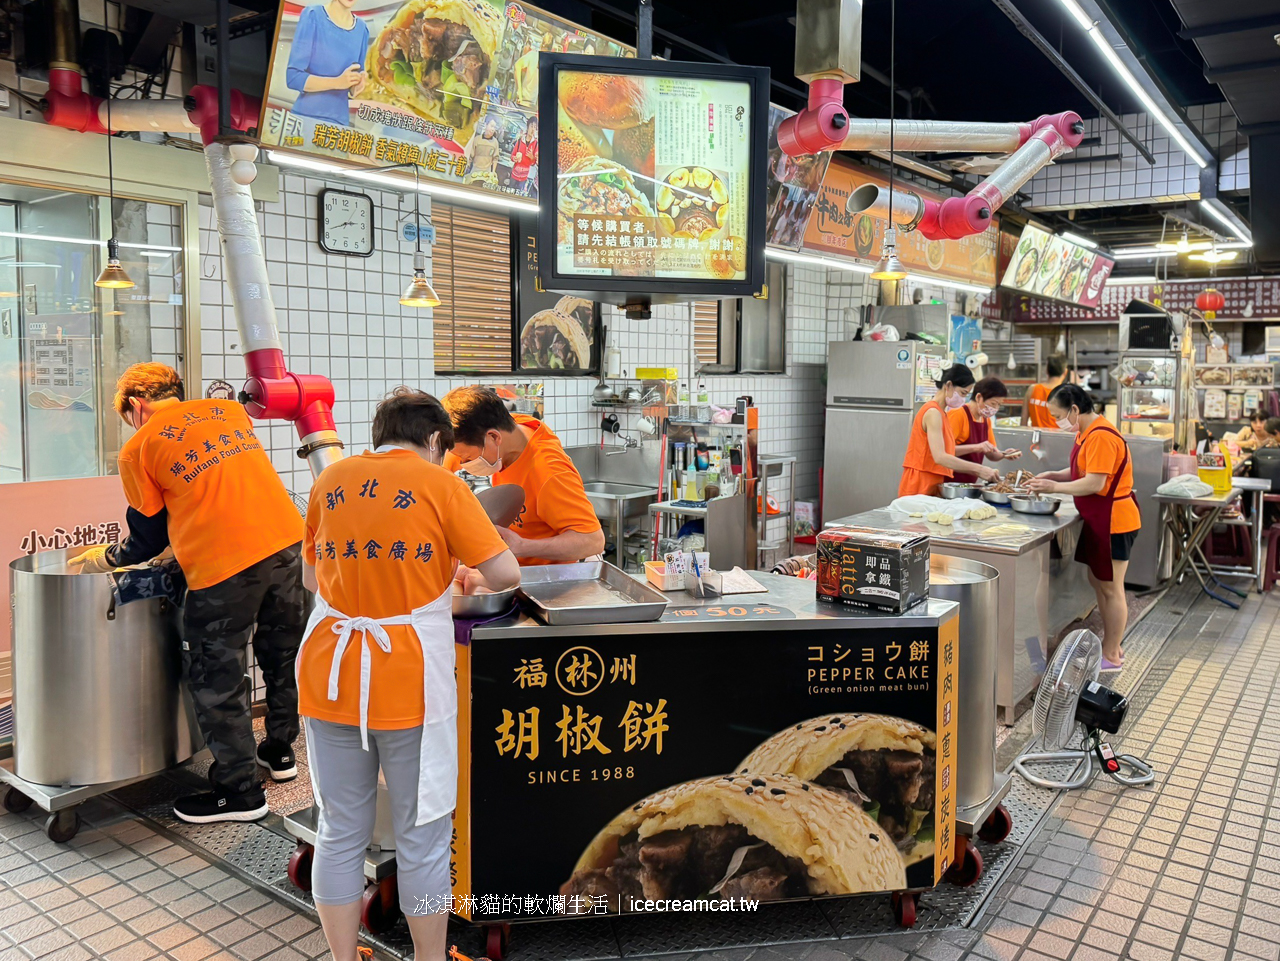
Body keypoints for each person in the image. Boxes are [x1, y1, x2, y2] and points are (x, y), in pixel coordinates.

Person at [300, 388, 519, 961]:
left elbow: (310, 580)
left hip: (330, 674)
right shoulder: (443, 485)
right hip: (410, 681)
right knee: (422, 837)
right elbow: (506, 574)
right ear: (432, 440)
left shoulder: (332, 481)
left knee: (341, 829)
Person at [69, 363, 305, 822]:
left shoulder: (139, 447)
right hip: (284, 545)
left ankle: (239, 792)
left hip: (224, 569)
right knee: (280, 655)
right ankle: (279, 752)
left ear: (136, 406)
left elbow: (147, 539)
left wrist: (106, 558)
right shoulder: (229, 413)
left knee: (216, 676)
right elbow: (218, 489)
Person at [1026, 384, 1139, 672]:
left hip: (1115, 520)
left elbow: (1095, 483)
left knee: (1112, 588)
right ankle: (1112, 643)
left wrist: (1054, 486)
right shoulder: (1085, 432)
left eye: (1057, 415)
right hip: (1100, 519)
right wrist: (1054, 474)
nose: (1055, 421)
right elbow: (1082, 471)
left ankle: (1112, 655)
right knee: (1099, 583)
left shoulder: (1101, 436)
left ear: (1075, 409)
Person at [442, 386, 604, 565]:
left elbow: (593, 541)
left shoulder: (549, 472)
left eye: (468, 458)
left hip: (546, 581)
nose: (464, 464)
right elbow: (449, 459)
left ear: (494, 438)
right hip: (514, 568)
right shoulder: (509, 427)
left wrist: (522, 546)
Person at [899, 364, 1000, 497]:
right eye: (963, 393)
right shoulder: (933, 412)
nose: (963, 399)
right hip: (920, 483)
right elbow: (940, 457)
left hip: (934, 481)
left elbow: (949, 451)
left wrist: (978, 450)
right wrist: (979, 470)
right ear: (948, 385)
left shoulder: (942, 413)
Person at [285, 0, 370, 127]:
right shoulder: (313, 15)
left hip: (339, 125)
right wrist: (338, 82)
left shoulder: (362, 29)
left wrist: (358, 84)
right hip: (306, 119)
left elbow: (354, 84)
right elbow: (293, 77)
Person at [947, 376, 1023, 481]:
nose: (995, 408)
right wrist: (977, 447)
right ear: (979, 397)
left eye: (998, 405)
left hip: (970, 483)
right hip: (949, 482)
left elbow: (991, 454)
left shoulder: (986, 420)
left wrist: (1004, 454)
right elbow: (944, 452)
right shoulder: (958, 415)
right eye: (993, 403)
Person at [1026, 353, 1068, 429]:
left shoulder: (1032, 389)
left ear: (1046, 371)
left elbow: (1023, 423)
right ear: (1065, 372)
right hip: (1059, 439)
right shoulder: (1067, 394)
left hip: (1035, 439)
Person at [464, 117, 501, 185]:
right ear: (486, 125)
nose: (493, 129)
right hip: (474, 172)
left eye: (494, 127)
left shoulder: (495, 142)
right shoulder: (477, 139)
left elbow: (495, 158)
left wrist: (493, 172)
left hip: (487, 174)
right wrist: (466, 166)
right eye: (491, 126)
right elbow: (470, 156)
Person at [510, 115, 538, 197]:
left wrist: (531, 157)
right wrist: (514, 158)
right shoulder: (520, 140)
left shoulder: (536, 144)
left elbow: (534, 163)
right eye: (531, 126)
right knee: (509, 194)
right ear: (528, 126)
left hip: (524, 177)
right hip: (514, 174)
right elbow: (512, 156)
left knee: (518, 197)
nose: (533, 129)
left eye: (535, 127)